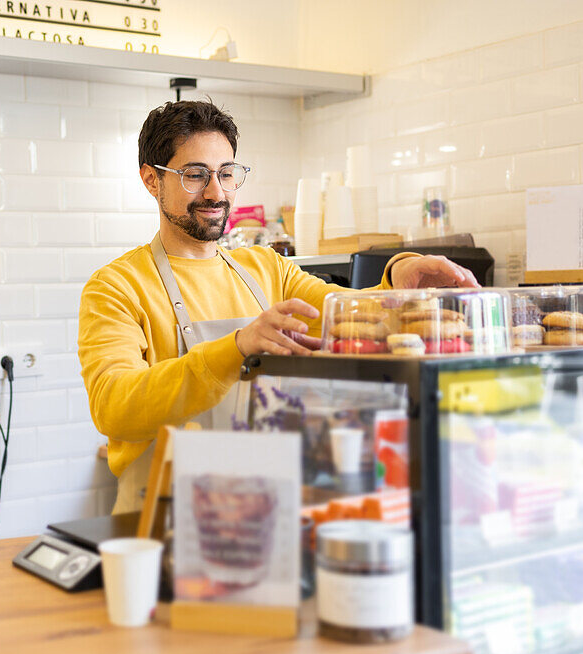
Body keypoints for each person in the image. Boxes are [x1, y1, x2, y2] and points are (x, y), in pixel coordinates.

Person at [78, 100, 480, 514]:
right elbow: (114, 406)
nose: (216, 192)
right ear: (151, 180)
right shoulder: (117, 286)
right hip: (162, 521)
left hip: (267, 514)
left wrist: (398, 276)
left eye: (227, 173)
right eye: (195, 175)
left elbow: (348, 316)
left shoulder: (266, 267)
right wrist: (235, 349)